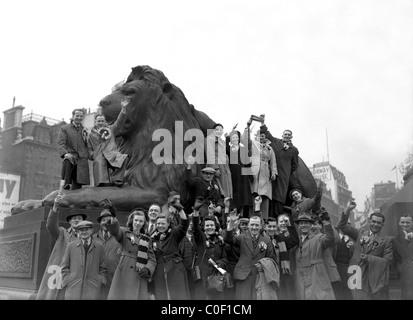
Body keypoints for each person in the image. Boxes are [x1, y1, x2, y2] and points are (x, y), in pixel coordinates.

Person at [338, 202, 393, 300]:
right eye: (373, 221)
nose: (375, 224)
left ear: (383, 224)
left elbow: (388, 262)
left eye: (379, 223)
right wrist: (347, 210)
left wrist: (369, 258)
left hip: (373, 278)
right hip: (356, 275)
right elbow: (342, 226)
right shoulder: (360, 233)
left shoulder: (386, 241)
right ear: (369, 221)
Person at [36, 195, 87, 300]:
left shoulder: (88, 238)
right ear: (69, 222)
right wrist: (55, 207)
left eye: (79, 219)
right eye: (74, 219)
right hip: (60, 275)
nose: (77, 220)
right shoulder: (62, 233)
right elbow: (50, 226)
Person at [106, 208, 156, 300]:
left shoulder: (147, 239)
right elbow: (114, 230)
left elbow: (152, 259)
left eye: (140, 221)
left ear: (144, 223)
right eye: (136, 220)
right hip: (124, 272)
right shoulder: (124, 232)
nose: (137, 223)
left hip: (139, 273)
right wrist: (113, 216)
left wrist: (147, 269)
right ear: (132, 220)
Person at [224, 212, 275, 300]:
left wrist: (264, 265)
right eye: (252, 225)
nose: (254, 227)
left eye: (256, 225)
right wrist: (231, 224)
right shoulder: (242, 237)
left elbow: (271, 258)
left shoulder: (267, 240)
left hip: (259, 277)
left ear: (260, 226)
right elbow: (228, 239)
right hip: (243, 276)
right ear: (248, 226)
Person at [291, 210, 336, 300]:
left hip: (316, 277)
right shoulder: (295, 242)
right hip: (300, 280)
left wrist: (326, 223)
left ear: (311, 225)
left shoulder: (318, 238)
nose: (303, 225)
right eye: (301, 223)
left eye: (306, 223)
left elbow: (330, 239)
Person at [151, 202, 190, 300]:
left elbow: (184, 224)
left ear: (168, 224)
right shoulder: (152, 238)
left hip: (175, 270)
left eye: (163, 223)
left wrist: (180, 210)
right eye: (158, 223)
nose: (160, 226)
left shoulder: (174, 233)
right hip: (159, 272)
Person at [87, 98, 129, 187]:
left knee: (123, 158)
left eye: (102, 121)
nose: (100, 123)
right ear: (95, 122)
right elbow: (89, 147)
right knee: (101, 183)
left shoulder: (111, 129)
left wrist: (123, 109)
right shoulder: (91, 134)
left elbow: (119, 122)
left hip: (111, 154)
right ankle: (101, 186)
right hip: (99, 157)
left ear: (105, 121)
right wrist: (93, 155)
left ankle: (117, 179)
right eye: (98, 121)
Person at [60, 220, 107, 300]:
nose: (84, 232)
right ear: (78, 231)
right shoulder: (71, 246)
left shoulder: (100, 247)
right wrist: (68, 280)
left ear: (91, 230)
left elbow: (103, 268)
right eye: (81, 230)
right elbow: (64, 266)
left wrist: (100, 280)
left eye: (87, 229)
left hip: (93, 289)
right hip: (73, 289)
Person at [260, 125, 299, 217]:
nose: (287, 136)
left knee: (279, 197)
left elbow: (295, 165)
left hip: (283, 177)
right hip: (270, 174)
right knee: (268, 195)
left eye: (289, 134)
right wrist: (262, 123)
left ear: (291, 137)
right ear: (282, 135)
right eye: (285, 134)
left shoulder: (293, 150)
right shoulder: (276, 142)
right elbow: (267, 134)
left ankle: (277, 219)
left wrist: (286, 170)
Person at [192, 210, 228, 300]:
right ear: (203, 227)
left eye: (212, 225)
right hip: (202, 276)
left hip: (216, 277)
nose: (209, 227)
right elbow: (196, 229)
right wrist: (196, 212)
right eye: (207, 225)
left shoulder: (220, 241)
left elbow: (224, 258)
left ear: (215, 227)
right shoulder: (200, 239)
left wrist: (219, 264)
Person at [249, 127, 277, 222]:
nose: (261, 137)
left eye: (263, 136)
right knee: (254, 194)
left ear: (265, 137)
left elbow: (273, 162)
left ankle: (264, 220)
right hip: (255, 171)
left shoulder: (270, 148)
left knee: (265, 196)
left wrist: (273, 172)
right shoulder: (253, 145)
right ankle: (253, 219)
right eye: (259, 136)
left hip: (265, 173)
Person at [93, 208, 122, 299]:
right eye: (103, 220)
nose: (106, 223)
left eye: (109, 220)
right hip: (97, 279)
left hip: (115, 278)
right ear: (100, 223)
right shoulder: (93, 238)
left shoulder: (120, 236)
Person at [58, 108, 90, 190]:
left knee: (77, 187)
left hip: (82, 159)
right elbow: (61, 143)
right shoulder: (65, 129)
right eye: (77, 115)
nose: (79, 118)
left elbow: (89, 145)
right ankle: (65, 183)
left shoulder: (85, 130)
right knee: (67, 161)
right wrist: (66, 153)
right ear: (73, 116)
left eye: (81, 116)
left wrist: (88, 155)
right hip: (71, 156)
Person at [310, 217, 341, 299]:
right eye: (311, 224)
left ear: (320, 225)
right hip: (316, 277)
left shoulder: (325, 238)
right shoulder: (308, 240)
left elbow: (336, 238)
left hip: (329, 274)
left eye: (315, 224)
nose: (312, 226)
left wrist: (327, 223)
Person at [185, 157, 224, 221]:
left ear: (213, 175)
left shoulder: (215, 184)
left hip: (214, 207)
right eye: (206, 174)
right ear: (202, 174)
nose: (208, 176)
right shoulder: (198, 181)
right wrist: (189, 166)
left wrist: (219, 206)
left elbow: (218, 198)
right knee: (204, 215)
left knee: (222, 217)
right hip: (202, 206)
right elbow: (188, 181)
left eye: (211, 174)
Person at [226, 130, 253, 216]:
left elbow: (248, 163)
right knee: (235, 193)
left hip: (243, 174)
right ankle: (234, 213)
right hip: (234, 173)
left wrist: (250, 174)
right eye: (233, 137)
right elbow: (225, 148)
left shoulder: (243, 149)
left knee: (244, 193)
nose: (235, 139)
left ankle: (242, 215)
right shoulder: (230, 149)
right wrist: (227, 138)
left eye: (236, 137)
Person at [205, 123, 233, 199]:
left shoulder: (221, 141)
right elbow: (210, 154)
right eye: (217, 129)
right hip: (216, 167)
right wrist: (215, 168)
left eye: (221, 130)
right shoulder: (209, 139)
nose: (219, 131)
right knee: (217, 188)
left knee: (226, 189)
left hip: (224, 168)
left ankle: (225, 206)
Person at [276, 214, 298, 300]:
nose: (283, 223)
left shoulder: (290, 237)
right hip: (278, 269)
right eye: (281, 221)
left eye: (285, 221)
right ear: (277, 224)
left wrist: (289, 225)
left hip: (289, 270)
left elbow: (295, 241)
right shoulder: (276, 236)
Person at [392, 214, 413, 300]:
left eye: (408, 222)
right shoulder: (396, 239)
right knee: (407, 295)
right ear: (399, 223)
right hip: (406, 273)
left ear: (412, 223)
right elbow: (397, 256)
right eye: (403, 222)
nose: (405, 225)